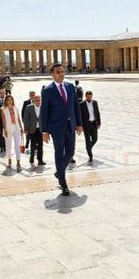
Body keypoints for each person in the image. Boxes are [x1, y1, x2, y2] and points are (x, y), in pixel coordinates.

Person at [40, 63, 83, 196]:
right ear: (52, 74)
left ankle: (59, 172)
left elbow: (76, 106)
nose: (61, 74)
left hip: (71, 125)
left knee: (71, 151)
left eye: (62, 71)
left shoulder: (70, 87)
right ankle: (63, 183)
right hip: (56, 127)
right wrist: (44, 131)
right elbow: (44, 112)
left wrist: (79, 124)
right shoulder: (47, 90)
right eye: (58, 72)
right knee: (59, 153)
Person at [0, 95, 24, 172]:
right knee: (8, 145)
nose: (10, 101)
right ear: (6, 101)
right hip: (8, 128)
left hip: (16, 128)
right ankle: (9, 160)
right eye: (8, 100)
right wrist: (5, 130)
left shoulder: (16, 108)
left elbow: (18, 118)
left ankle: (18, 163)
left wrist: (21, 127)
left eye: (11, 100)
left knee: (17, 145)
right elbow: (3, 120)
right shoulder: (3, 109)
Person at [79, 91, 101, 163]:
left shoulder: (95, 103)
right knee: (87, 140)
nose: (89, 98)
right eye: (88, 97)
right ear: (85, 96)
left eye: (90, 97)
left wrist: (99, 122)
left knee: (95, 139)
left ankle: (88, 147)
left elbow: (97, 112)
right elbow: (80, 116)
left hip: (94, 124)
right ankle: (90, 156)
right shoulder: (81, 104)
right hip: (86, 125)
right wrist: (80, 125)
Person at [23, 95, 45, 166]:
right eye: (37, 100)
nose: (39, 102)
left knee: (40, 145)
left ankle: (40, 160)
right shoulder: (29, 107)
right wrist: (26, 129)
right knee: (32, 145)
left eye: (40, 100)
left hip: (40, 129)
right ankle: (32, 157)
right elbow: (26, 119)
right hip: (32, 129)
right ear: (34, 101)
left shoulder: (43, 107)